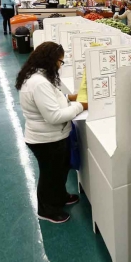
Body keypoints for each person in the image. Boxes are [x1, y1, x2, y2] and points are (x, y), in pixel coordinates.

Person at [16, 42, 87, 224]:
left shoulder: (38, 75)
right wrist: (80, 106)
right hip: (46, 140)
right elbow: (54, 116)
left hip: (53, 137)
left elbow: (50, 102)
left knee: (60, 170)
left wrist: (69, 98)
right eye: (60, 62)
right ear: (51, 60)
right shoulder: (39, 83)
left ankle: (60, 196)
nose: (60, 65)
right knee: (50, 175)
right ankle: (47, 210)